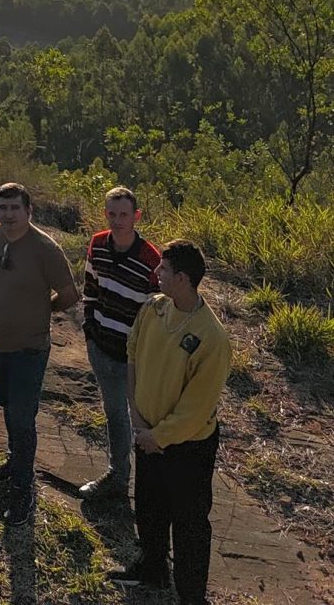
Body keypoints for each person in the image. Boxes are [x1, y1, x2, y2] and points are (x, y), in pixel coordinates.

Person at [108, 241, 231, 605]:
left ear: (182, 279)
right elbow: (132, 353)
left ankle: (191, 595)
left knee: (189, 522)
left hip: (187, 447)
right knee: (149, 508)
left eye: (162, 269)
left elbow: (196, 411)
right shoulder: (153, 308)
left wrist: (157, 436)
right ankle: (152, 569)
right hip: (147, 432)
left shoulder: (212, 338)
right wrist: (135, 413)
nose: (156, 273)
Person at [0, 182, 81, 527]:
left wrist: (41, 309)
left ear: (29, 211)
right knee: (7, 406)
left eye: (15, 209)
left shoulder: (46, 249)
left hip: (29, 349)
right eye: (2, 208)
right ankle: (14, 460)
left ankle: (22, 490)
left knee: (23, 419)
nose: (8, 215)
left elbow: (69, 294)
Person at [80, 186, 160, 503]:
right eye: (112, 214)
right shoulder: (98, 244)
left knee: (143, 418)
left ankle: (150, 488)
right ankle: (118, 476)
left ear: (136, 216)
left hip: (133, 357)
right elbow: (90, 287)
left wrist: (142, 355)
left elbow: (155, 314)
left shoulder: (151, 260)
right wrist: (89, 330)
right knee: (115, 413)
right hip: (101, 345)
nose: (117, 220)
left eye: (124, 214)